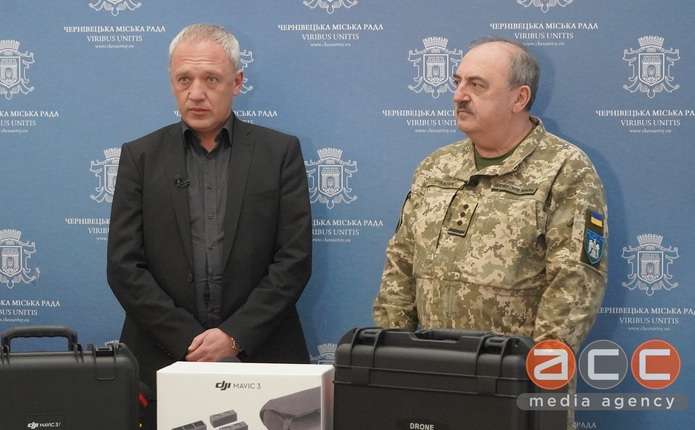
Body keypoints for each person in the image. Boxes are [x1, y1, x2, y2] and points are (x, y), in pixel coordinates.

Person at [373, 37, 607, 427]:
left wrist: (533, 374)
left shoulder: (565, 169)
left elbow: (575, 285)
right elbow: (399, 266)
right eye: (458, 82)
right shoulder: (436, 167)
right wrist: (394, 358)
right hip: (430, 380)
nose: (459, 96)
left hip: (515, 389)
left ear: (519, 98)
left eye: (477, 85)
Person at [107, 23, 312, 407]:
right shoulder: (140, 156)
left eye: (211, 79)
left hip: (261, 354)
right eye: (184, 79)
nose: (196, 93)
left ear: (237, 82)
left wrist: (234, 335)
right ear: (172, 81)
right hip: (160, 360)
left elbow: (294, 260)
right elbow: (124, 266)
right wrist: (189, 339)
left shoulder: (279, 153)